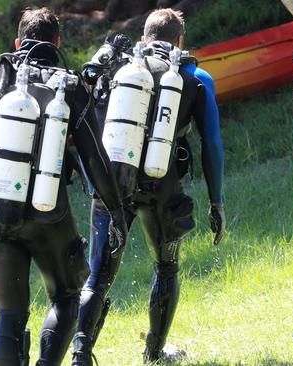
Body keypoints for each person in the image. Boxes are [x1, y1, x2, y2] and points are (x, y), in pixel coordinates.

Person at [0, 8, 128, 365]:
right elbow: (95, 157)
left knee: (10, 317)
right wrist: (116, 211)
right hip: (49, 215)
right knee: (65, 297)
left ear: (16, 42)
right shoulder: (69, 86)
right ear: (57, 42)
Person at [72, 8, 225, 365]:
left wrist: (89, 179)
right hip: (164, 189)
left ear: (143, 38)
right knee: (167, 268)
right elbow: (212, 144)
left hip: (113, 186)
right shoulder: (195, 76)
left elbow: (87, 126)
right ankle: (154, 354)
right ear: (180, 41)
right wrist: (216, 203)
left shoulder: (120, 71)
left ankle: (81, 354)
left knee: (98, 275)